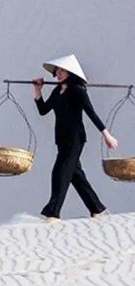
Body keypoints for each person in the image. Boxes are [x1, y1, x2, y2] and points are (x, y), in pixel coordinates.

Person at [33, 54, 118, 223]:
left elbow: (91, 113)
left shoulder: (78, 90)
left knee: (60, 171)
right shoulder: (58, 90)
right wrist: (38, 90)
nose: (58, 73)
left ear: (71, 72)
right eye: (57, 70)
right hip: (61, 139)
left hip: (75, 138)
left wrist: (106, 135)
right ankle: (98, 209)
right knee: (75, 175)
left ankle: (53, 212)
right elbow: (43, 110)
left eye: (62, 70)